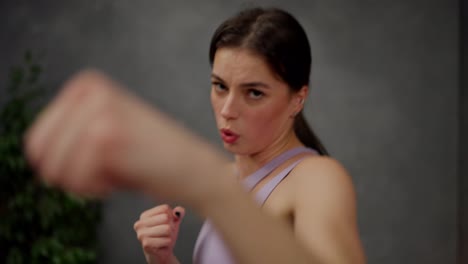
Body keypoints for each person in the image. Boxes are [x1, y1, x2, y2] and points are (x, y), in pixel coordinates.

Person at [24, 6, 366, 264]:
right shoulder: (229, 176)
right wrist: (163, 260)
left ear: (298, 99)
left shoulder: (317, 178)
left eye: (254, 93)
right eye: (220, 86)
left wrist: (202, 178)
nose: (228, 109)